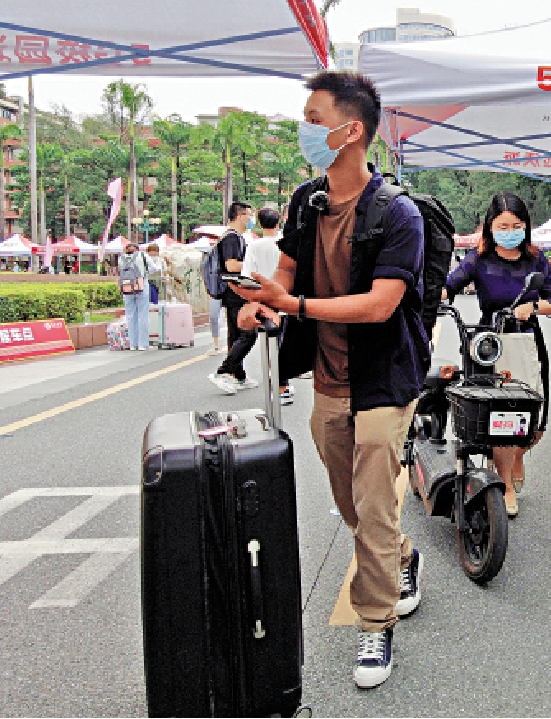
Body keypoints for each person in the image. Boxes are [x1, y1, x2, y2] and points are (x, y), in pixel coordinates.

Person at [232, 70, 427, 690]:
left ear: (352, 131)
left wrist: (294, 308)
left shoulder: (399, 214)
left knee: (371, 501)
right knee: (352, 504)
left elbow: (379, 305)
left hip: (384, 380)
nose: (305, 129)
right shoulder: (306, 200)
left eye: (314, 119)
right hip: (329, 379)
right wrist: (264, 299)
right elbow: (287, 268)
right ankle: (401, 558)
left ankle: (376, 624)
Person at [445, 193, 551, 518]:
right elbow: (450, 286)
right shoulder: (479, 259)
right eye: (503, 225)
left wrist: (533, 306)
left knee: (532, 422)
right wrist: (428, 294)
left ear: (526, 227)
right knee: (501, 417)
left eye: (517, 225)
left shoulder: (536, 260)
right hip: (490, 346)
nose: (510, 230)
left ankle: (517, 455)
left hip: (527, 342)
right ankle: (504, 483)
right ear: (490, 227)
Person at [207, 201, 259, 395]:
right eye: (249, 215)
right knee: (247, 334)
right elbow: (231, 266)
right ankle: (224, 371)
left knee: (236, 335)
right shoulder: (231, 238)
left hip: (232, 291)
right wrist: (252, 264)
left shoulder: (233, 237)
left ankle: (239, 375)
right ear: (239, 216)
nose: (251, 219)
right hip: (235, 291)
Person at [243, 207, 293, 405]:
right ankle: (283, 385)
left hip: (264, 302)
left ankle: (277, 384)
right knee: (284, 343)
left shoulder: (254, 246)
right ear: (278, 222)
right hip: (288, 301)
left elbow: (247, 275)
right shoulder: (286, 242)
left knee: (269, 343)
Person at [119, 241, 151, 351]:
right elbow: (153, 267)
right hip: (141, 285)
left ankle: (133, 344)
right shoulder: (143, 255)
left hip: (126, 287)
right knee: (143, 314)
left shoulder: (121, 258)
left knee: (130, 315)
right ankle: (143, 344)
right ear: (137, 248)